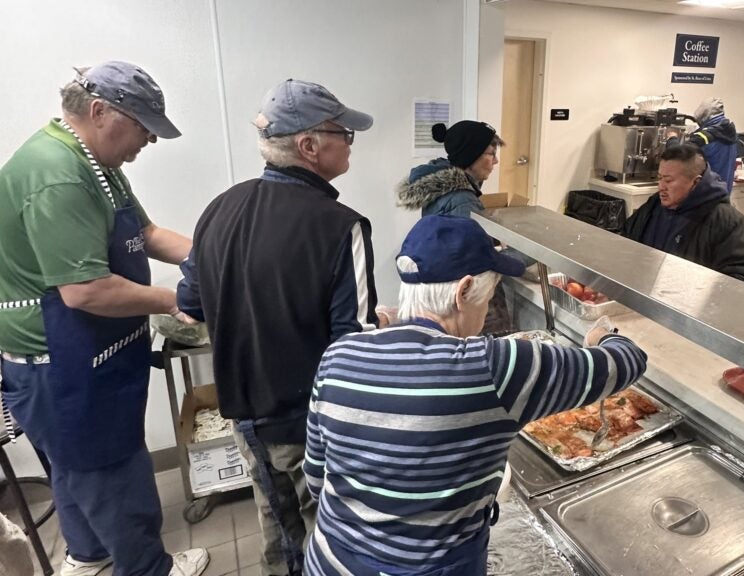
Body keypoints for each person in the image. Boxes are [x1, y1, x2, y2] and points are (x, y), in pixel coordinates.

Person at [303, 215, 649, 576]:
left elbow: (316, 477)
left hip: (331, 560)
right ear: (463, 291)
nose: (487, 309)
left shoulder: (340, 353)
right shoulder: (492, 367)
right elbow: (626, 363)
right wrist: (604, 337)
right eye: (491, 293)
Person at [0, 61, 207, 576]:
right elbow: (85, 290)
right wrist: (177, 300)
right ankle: (150, 568)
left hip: (86, 352)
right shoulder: (57, 175)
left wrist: (215, 258)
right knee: (111, 470)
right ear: (100, 111)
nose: (150, 141)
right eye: (144, 127)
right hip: (59, 360)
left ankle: (87, 556)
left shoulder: (97, 165)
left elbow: (147, 234)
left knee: (75, 467)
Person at [176, 79, 379, 576]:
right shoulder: (341, 226)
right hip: (309, 421)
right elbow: (353, 347)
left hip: (245, 415)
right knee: (330, 532)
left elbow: (191, 305)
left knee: (278, 523)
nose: (350, 141)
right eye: (343, 133)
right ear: (309, 146)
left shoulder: (218, 209)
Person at [396, 120, 520, 333]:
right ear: (470, 157)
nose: (496, 161)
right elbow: (476, 263)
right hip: (469, 306)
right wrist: (525, 255)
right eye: (491, 154)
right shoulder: (462, 200)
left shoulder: (445, 189)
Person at [622, 144, 744, 285]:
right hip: (644, 298)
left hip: (688, 304)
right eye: (660, 178)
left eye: (668, 180)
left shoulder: (728, 222)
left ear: (696, 182)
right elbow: (625, 243)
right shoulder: (654, 206)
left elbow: (743, 280)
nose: (661, 186)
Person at [665, 97, 738, 192]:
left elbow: (677, 156)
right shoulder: (730, 133)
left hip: (705, 196)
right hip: (723, 193)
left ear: (704, 116)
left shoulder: (703, 138)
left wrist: (672, 138)